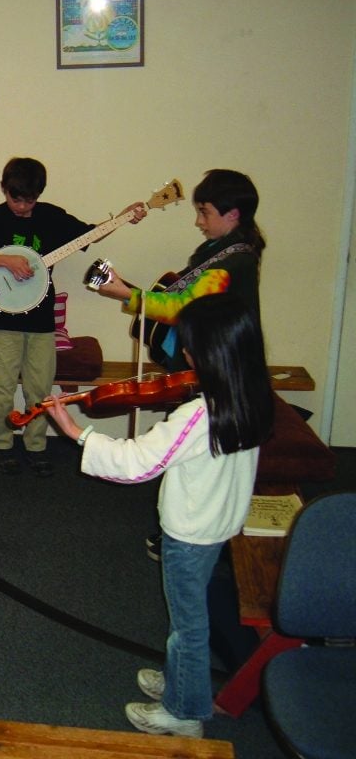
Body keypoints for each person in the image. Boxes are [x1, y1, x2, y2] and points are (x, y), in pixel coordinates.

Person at [45, 293, 274, 738]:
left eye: (189, 347)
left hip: (190, 534)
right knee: (191, 616)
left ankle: (185, 713)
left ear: (209, 354)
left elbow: (138, 463)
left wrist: (77, 432)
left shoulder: (198, 415)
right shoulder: (250, 394)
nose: (183, 355)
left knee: (186, 626)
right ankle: (181, 681)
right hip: (219, 525)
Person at [94, 169, 265, 559]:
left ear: (233, 214)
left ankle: (187, 532)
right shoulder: (223, 251)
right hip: (216, 361)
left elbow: (183, 307)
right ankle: (189, 525)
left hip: (218, 367)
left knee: (201, 452)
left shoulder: (234, 261)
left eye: (205, 213)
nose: (198, 222)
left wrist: (127, 294)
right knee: (199, 451)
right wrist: (130, 292)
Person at [0, 157, 144, 477]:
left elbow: (90, 234)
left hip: (43, 320)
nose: (23, 206)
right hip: (3, 316)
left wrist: (124, 216)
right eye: (16, 199)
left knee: (40, 389)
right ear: (4, 189)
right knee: (0, 387)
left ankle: (36, 446)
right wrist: (5, 261)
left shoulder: (51, 216)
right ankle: (0, 444)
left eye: (30, 200)